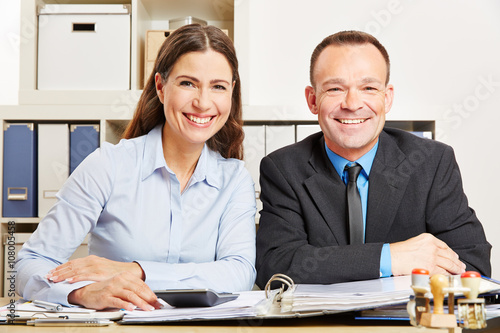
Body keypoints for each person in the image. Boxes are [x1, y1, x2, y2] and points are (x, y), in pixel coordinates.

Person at [16, 24, 257, 311]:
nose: (203, 102)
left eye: (218, 86)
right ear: (160, 87)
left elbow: (239, 273)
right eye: (187, 83)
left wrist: (136, 271)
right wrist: (81, 293)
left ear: (231, 93)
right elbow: (29, 265)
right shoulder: (108, 165)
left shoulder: (234, 180)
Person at [255, 30, 491, 288]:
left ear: (387, 98)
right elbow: (276, 266)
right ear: (312, 100)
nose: (352, 103)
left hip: (406, 324)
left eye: (368, 88)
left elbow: (471, 262)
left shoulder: (431, 161)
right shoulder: (282, 169)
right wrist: (390, 258)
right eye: (335, 88)